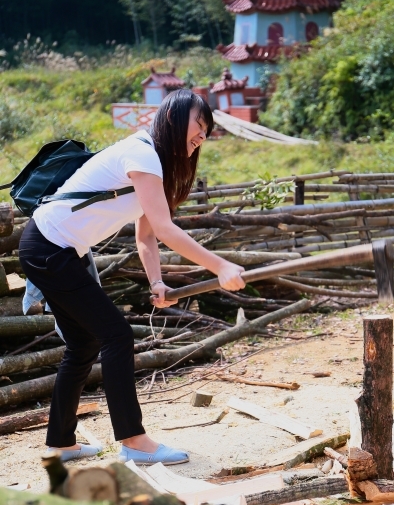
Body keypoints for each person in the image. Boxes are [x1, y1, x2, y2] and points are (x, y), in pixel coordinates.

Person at [18, 89, 245, 464]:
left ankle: (60, 443)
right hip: (48, 246)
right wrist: (219, 266)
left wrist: (157, 282)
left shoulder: (152, 162)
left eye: (207, 132)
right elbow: (167, 229)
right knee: (116, 335)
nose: (202, 136)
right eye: (199, 125)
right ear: (173, 117)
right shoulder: (141, 153)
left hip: (57, 249)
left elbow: (147, 236)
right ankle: (134, 441)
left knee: (83, 345)